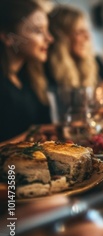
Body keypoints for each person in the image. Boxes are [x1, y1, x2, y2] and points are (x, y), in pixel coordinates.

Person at [46, 5, 103, 120]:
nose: (88, 37)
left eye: (88, 31)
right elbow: (63, 117)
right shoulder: (49, 70)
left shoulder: (90, 64)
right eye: (80, 32)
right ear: (62, 37)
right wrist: (99, 95)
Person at [0, 0, 54, 142]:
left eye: (47, 30)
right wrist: (30, 136)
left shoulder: (29, 77)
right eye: (38, 31)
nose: (49, 38)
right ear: (8, 37)